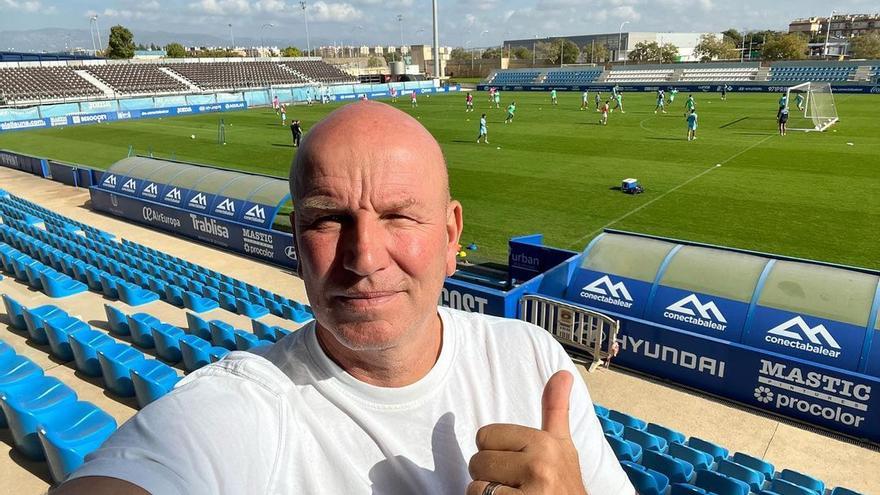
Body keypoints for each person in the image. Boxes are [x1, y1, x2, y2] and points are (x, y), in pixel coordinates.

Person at [54, 102, 634, 495]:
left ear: (452, 235)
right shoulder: (245, 404)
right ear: (296, 244)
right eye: (328, 219)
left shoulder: (535, 361)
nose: (364, 256)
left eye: (399, 215)